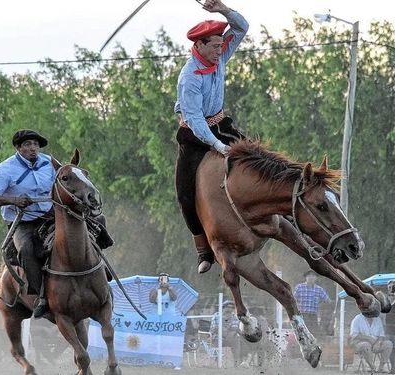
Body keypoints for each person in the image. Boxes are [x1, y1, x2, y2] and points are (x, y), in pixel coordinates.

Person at [0, 129, 113, 318]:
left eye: (35, 144)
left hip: (51, 213)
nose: (33, 148)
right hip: (24, 220)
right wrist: (14, 200)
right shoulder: (6, 169)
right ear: (18, 148)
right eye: (27, 145)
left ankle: (100, 272)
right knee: (27, 248)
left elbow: (65, 183)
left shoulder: (49, 163)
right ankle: (41, 296)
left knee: (95, 222)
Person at [173, 0, 249, 274]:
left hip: (221, 124)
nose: (221, 50)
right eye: (215, 46)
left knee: (257, 158)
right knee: (184, 194)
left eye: (221, 45)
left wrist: (223, 10)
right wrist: (218, 146)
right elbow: (194, 120)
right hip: (194, 134)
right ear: (200, 46)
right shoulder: (189, 77)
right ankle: (204, 250)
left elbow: (242, 28)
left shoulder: (219, 54)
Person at [293, 270, 330, 340]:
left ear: (316, 278)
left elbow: (327, 300)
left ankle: (314, 347)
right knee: (302, 332)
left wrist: (322, 305)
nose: (311, 277)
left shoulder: (319, 289)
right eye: (309, 276)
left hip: (313, 315)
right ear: (306, 277)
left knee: (314, 333)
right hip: (302, 315)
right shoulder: (299, 287)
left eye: (313, 276)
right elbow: (293, 299)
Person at [210, 300, 245, 367]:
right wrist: (223, 329)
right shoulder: (217, 315)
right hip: (218, 338)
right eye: (228, 307)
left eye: (232, 307)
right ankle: (218, 362)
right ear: (223, 307)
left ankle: (236, 362)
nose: (230, 309)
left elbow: (236, 328)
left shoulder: (234, 316)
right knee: (219, 337)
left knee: (237, 340)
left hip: (231, 338)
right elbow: (212, 329)